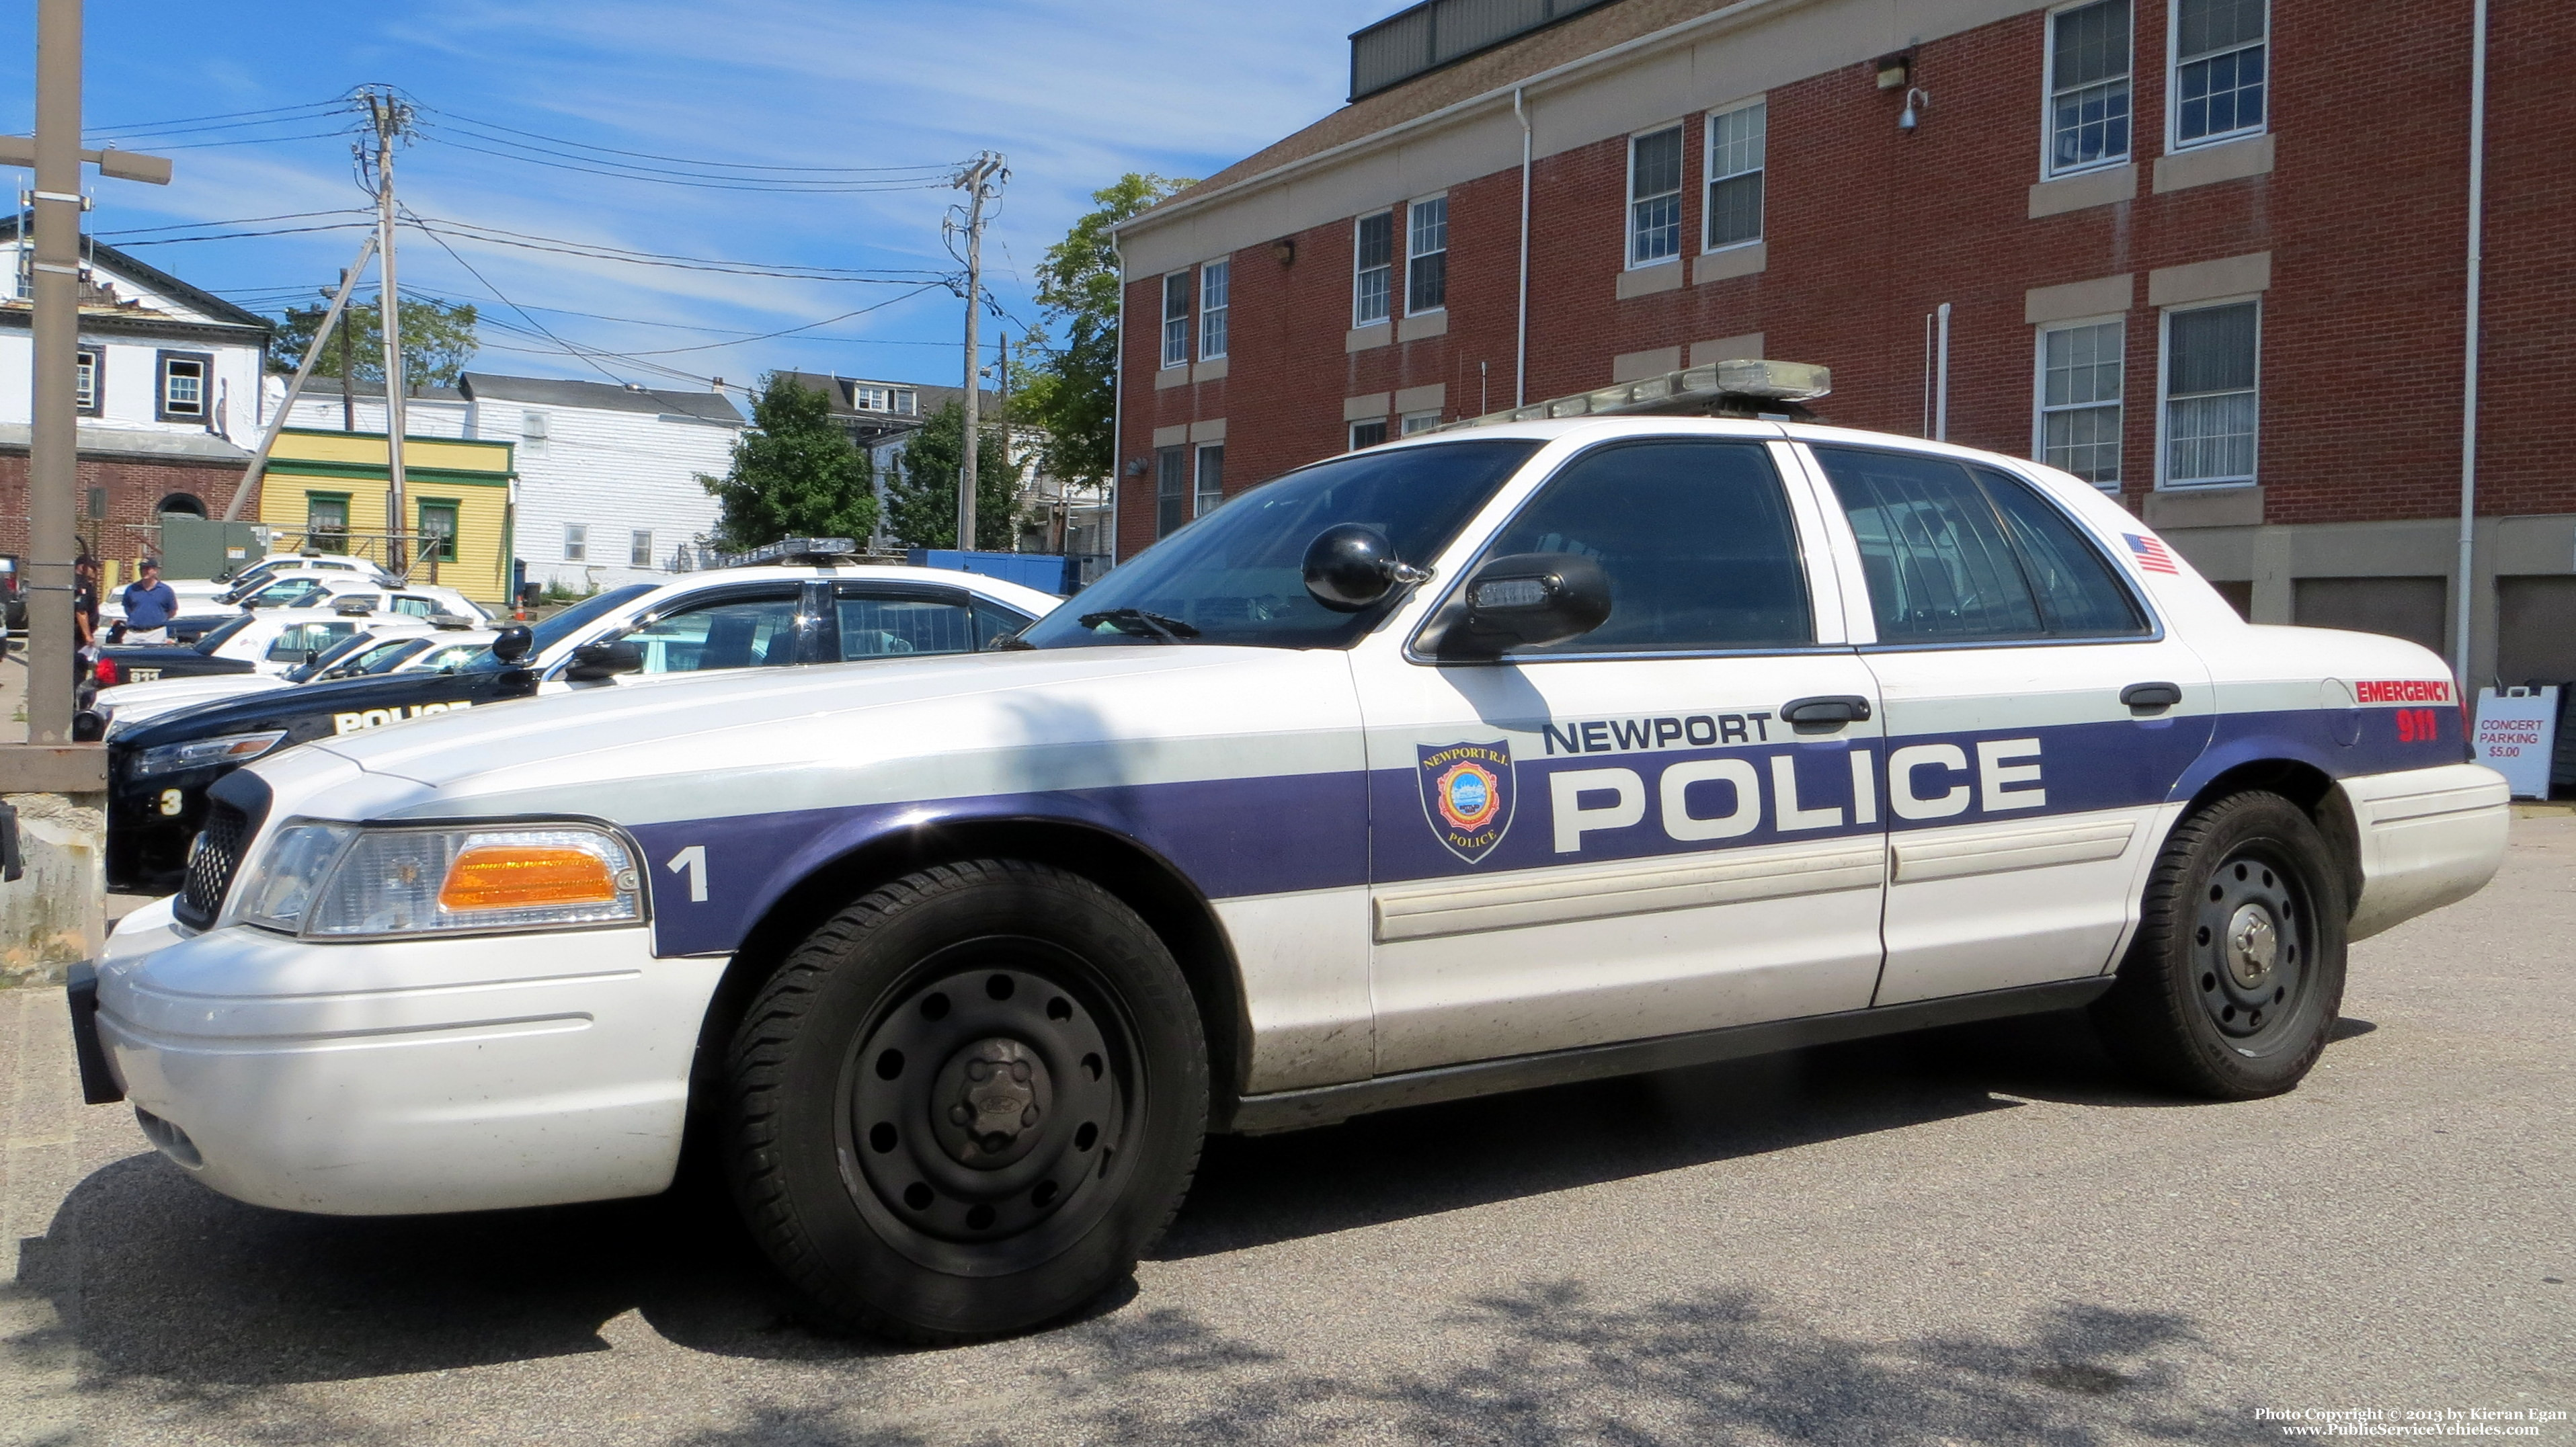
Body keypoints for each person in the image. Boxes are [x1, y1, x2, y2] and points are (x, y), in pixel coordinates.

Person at [119, 558, 179, 647]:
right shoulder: (131, 589)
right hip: (133, 633)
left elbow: (172, 611)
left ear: (155, 571)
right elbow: (128, 609)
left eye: (147, 568)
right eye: (142, 569)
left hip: (155, 634)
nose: (144, 571)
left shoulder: (166, 591)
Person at [72, 555, 99, 647]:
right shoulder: (83, 586)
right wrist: (88, 636)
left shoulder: (72, 582)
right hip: (79, 634)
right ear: (81, 567)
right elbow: (81, 611)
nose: (95, 571)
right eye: (92, 567)